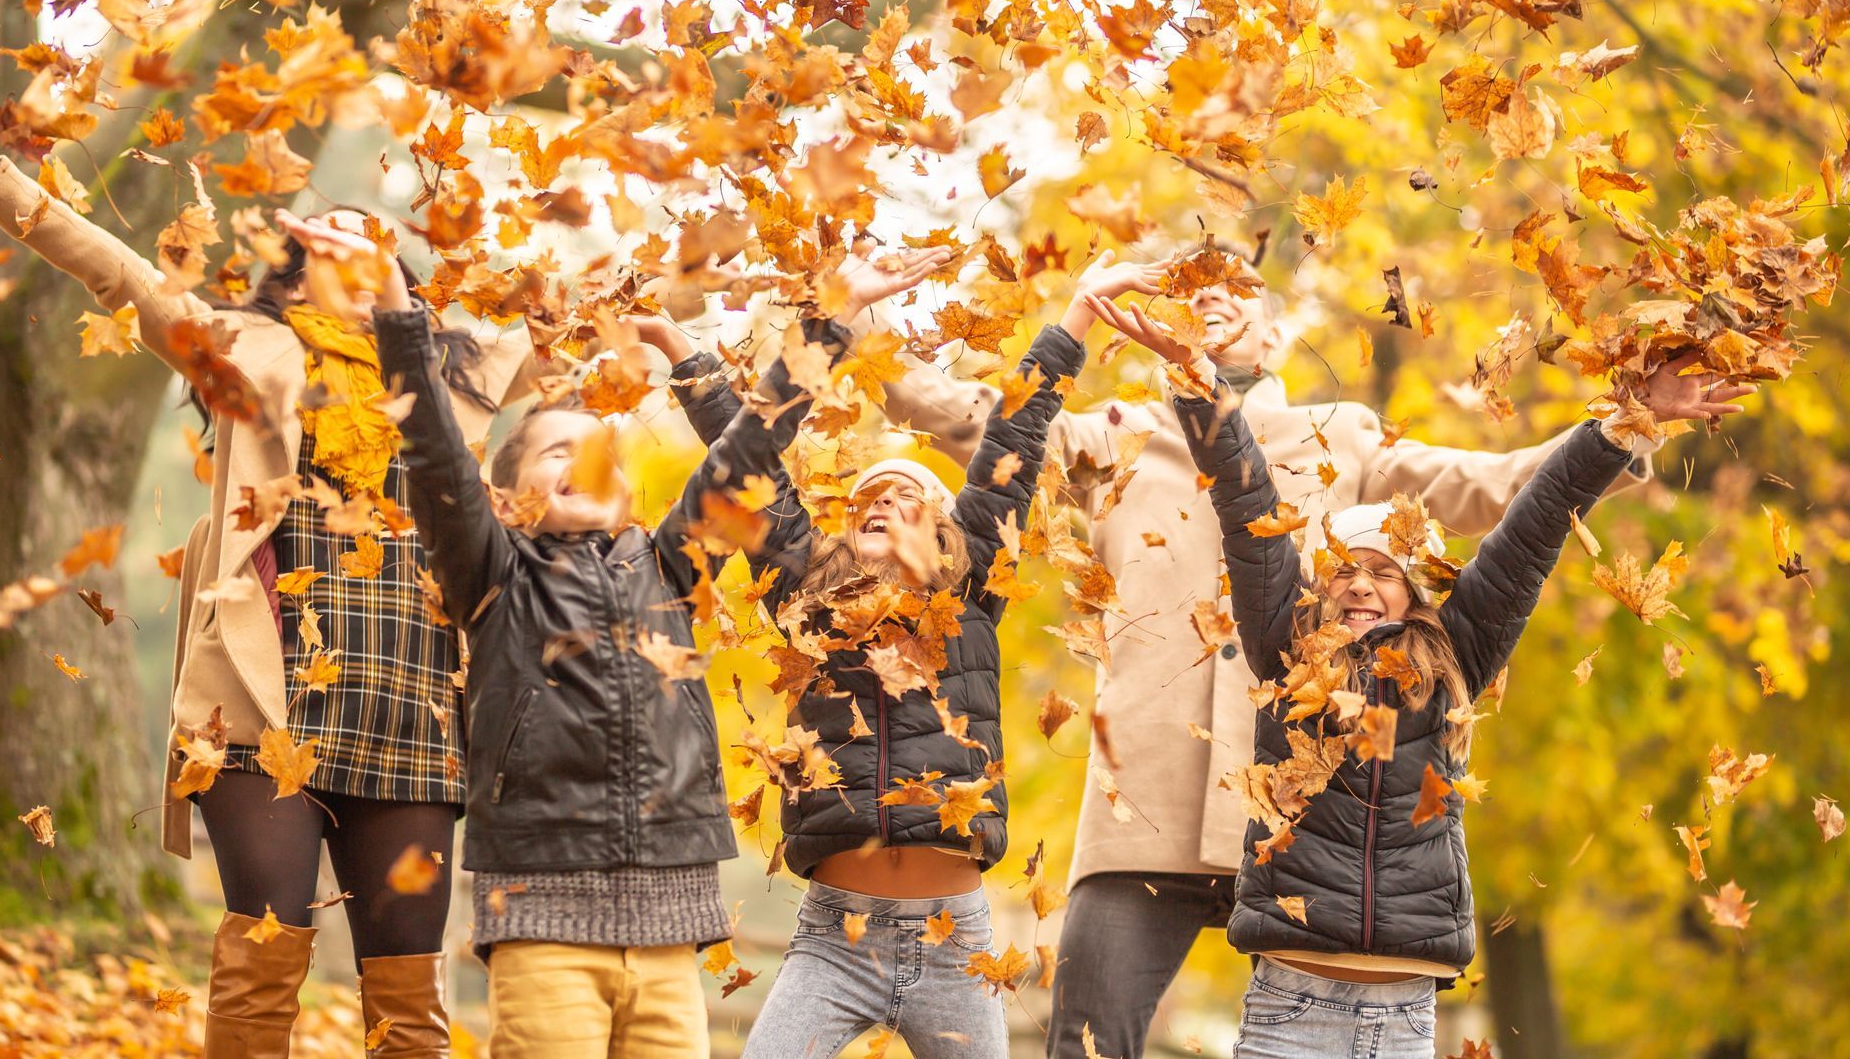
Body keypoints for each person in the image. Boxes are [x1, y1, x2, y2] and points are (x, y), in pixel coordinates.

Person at [848, 239, 1650, 1057]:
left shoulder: (1343, 435)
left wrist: (1630, 423)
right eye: (1192, 287)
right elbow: (977, 422)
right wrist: (854, 318)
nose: (1212, 296)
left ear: (1272, 334)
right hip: (1144, 808)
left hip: (1303, 823)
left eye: (1239, 286)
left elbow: (1499, 489)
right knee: (1085, 1044)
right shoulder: (1116, 435)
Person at [0, 144, 647, 1059]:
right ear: (294, 273)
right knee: (263, 958)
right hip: (264, 697)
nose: (348, 259)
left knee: (407, 986)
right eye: (323, 247)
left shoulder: (454, 371)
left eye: (369, 249)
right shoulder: (242, 347)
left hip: (411, 699)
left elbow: (602, 316)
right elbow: (119, 273)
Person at [1089, 294, 1751, 1056]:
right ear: (1319, 586)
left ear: (1415, 593)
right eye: (1345, 570)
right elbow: (1247, 502)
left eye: (1385, 572)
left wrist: (1627, 424)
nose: (1363, 585)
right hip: (1289, 1006)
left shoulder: (1453, 657)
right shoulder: (1286, 644)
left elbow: (1534, 525)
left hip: (1400, 1015)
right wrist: (1199, 382)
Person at [358, 221, 949, 1058]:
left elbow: (751, 445)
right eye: (556, 450)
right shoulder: (491, 571)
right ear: (504, 490)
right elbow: (433, 455)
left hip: (672, 928)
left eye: (600, 454)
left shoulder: (671, 564)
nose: (581, 463)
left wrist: (834, 318)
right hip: (541, 917)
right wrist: (395, 309)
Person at [675, 257, 1149, 1059]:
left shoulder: (970, 598)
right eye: (865, 501)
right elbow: (745, 472)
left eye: (908, 498)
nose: (883, 506)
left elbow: (1017, 433)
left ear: (946, 533)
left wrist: (1076, 316)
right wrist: (684, 362)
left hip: (954, 943)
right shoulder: (808, 599)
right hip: (833, 939)